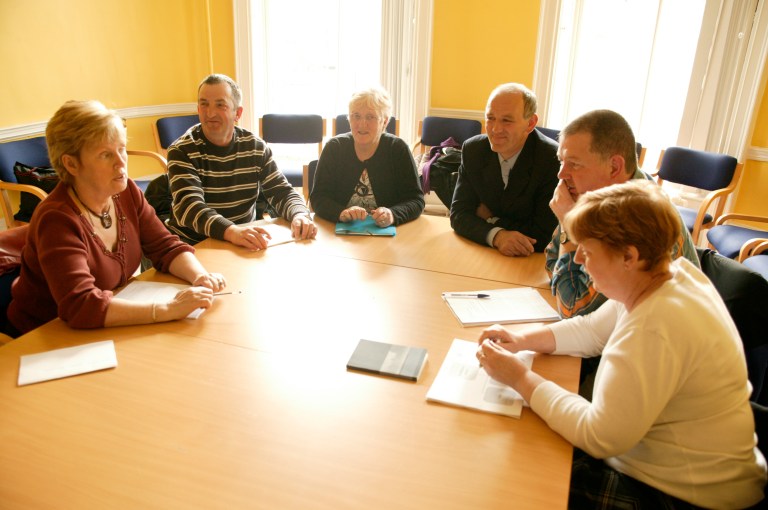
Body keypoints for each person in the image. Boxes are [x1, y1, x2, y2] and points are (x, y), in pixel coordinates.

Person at [477, 180, 767, 509]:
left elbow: (598, 435)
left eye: (587, 251)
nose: (581, 261)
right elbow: (592, 330)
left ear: (629, 256)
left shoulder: (655, 328)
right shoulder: (668, 275)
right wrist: (522, 339)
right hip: (683, 469)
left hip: (684, 496)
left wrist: (519, 378)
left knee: (515, 475)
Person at [6, 100, 225, 336]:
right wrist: (166, 309)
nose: (121, 162)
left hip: (99, 325)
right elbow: (80, 305)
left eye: (121, 149)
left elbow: (165, 246)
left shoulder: (126, 191)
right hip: (44, 337)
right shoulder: (57, 219)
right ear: (71, 164)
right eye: (105, 155)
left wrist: (200, 276)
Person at [547, 109, 699, 318]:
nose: (561, 174)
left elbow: (573, 308)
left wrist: (568, 224)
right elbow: (551, 262)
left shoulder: (637, 218)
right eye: (561, 161)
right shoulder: (597, 195)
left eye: (574, 164)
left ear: (614, 166)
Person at [166, 73, 317, 249]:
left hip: (242, 242)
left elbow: (281, 191)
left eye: (220, 105)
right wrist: (231, 231)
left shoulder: (255, 147)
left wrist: (299, 215)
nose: (210, 113)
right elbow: (189, 207)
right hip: (194, 244)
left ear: (237, 113)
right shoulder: (182, 150)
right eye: (204, 104)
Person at [450, 83, 559, 257]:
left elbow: (545, 234)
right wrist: (497, 236)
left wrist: (491, 219)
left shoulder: (551, 158)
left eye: (506, 120)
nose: (495, 129)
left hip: (531, 262)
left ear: (530, 123)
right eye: (490, 118)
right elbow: (459, 215)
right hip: (484, 254)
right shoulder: (474, 150)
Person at [310, 87, 424, 227]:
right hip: (340, 235)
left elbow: (416, 200)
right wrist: (341, 213)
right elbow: (318, 198)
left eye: (370, 117)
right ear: (349, 119)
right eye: (356, 116)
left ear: (385, 121)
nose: (362, 124)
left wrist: (392, 214)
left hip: (388, 236)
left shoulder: (398, 149)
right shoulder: (334, 148)